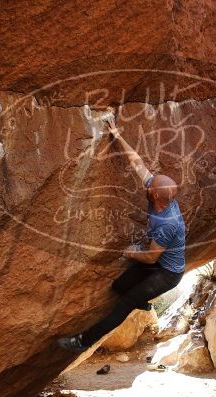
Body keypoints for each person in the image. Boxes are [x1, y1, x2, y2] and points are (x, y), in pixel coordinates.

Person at [57, 117, 186, 352]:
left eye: (150, 186)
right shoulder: (161, 196)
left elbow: (151, 258)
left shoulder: (167, 223)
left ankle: (82, 341)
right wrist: (117, 135)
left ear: (155, 195)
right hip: (158, 261)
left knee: (124, 304)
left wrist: (131, 252)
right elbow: (138, 163)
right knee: (119, 286)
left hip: (167, 273)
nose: (146, 183)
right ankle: (142, 301)